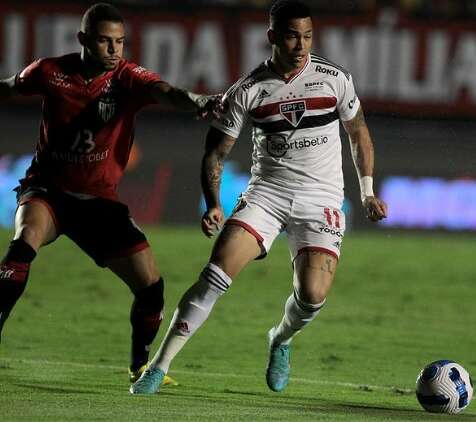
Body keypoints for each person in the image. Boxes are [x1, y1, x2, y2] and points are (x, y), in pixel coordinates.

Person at [130, 0, 387, 395]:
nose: (300, 45)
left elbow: (358, 132)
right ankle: (159, 367)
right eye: (290, 36)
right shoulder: (248, 90)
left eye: (307, 36)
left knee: (312, 296)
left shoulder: (334, 79)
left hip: (321, 199)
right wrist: (213, 203)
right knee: (216, 273)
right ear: (271, 37)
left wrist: (368, 191)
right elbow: (215, 153)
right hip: (267, 194)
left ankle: (280, 339)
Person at [0, 2, 219, 387]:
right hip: (47, 191)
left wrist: (198, 102)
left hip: (99, 202)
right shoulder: (50, 71)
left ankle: (139, 367)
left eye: (120, 42)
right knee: (22, 246)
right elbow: (10, 87)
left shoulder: (127, 78)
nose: (114, 50)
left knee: (151, 288)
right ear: (83, 39)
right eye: (105, 41)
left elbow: (166, 91)